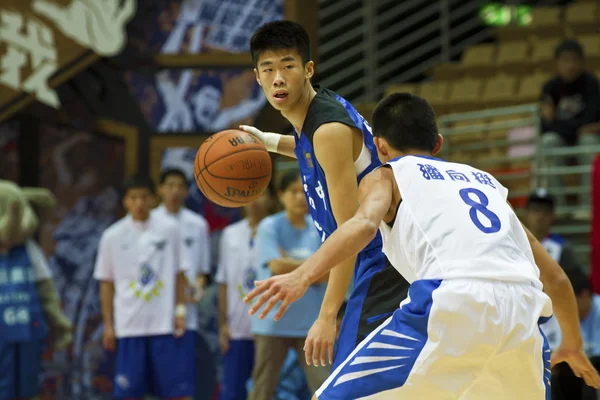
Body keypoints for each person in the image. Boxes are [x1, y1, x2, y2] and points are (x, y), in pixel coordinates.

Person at [245, 93, 600, 399]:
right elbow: (554, 278)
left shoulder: (386, 174)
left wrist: (302, 276)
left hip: (454, 298)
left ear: (379, 147)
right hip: (523, 311)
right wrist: (571, 343)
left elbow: (362, 225)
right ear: (438, 144)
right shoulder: (487, 184)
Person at [241, 20, 409, 368]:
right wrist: (269, 142)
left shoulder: (328, 129)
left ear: (308, 69)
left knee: (353, 384)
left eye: (288, 66)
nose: (278, 79)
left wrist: (327, 314)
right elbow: (310, 149)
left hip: (383, 259)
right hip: (380, 259)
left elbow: (351, 231)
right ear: (257, 76)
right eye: (268, 69)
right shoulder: (317, 115)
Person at [94, 176, 194, 400]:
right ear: (125, 202)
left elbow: (180, 274)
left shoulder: (170, 229)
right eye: (133, 198)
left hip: (164, 325)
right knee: (128, 393)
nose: (139, 203)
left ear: (153, 199)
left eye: (144, 197)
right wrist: (109, 325)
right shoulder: (112, 236)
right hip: (129, 326)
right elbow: (106, 283)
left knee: (177, 392)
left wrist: (180, 312)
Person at [248, 169, 329, 400]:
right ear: (281, 194)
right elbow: (275, 267)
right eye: (293, 192)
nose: (300, 197)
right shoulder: (269, 226)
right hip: (272, 321)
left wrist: (290, 264)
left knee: (325, 387)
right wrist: (313, 267)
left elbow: (331, 272)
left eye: (304, 191)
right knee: (261, 389)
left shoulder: (319, 227)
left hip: (311, 324)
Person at [216, 188, 274, 400]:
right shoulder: (230, 234)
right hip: (237, 329)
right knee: (233, 391)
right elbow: (223, 282)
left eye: (261, 194)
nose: (255, 201)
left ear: (271, 199)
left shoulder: (276, 229)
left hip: (270, 330)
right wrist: (223, 324)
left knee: (265, 391)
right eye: (250, 195)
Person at [538, 39, 600, 214]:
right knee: (547, 142)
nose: (570, 65)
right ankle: (559, 207)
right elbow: (546, 126)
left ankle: (587, 206)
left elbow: (593, 116)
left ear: (582, 62)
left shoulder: (591, 83)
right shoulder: (550, 87)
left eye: (574, 59)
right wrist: (578, 127)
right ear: (557, 63)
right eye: (565, 60)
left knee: (589, 143)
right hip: (562, 138)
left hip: (585, 138)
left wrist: (559, 123)